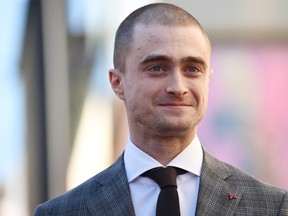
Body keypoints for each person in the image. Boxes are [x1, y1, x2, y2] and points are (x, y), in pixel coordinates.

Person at [34, 3, 288, 216]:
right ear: (117, 83)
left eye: (192, 69)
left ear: (208, 81)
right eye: (157, 68)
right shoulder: (61, 212)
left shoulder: (272, 206)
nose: (178, 87)